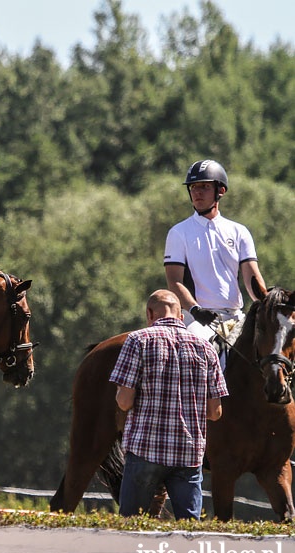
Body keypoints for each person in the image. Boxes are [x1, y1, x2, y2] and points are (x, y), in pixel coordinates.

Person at [110, 289, 226, 520]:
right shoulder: (206, 349)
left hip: (145, 450)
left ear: (149, 313)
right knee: (189, 531)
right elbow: (215, 412)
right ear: (181, 316)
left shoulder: (137, 341)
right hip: (189, 454)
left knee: (131, 527)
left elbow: (124, 403)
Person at [164, 159, 267, 352]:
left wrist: (266, 304)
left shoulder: (239, 231)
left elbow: (252, 279)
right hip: (198, 320)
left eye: (204, 186)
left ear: (220, 190)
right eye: (193, 187)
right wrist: (195, 309)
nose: (197, 192)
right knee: (195, 352)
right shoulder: (179, 232)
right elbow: (174, 282)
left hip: (237, 317)